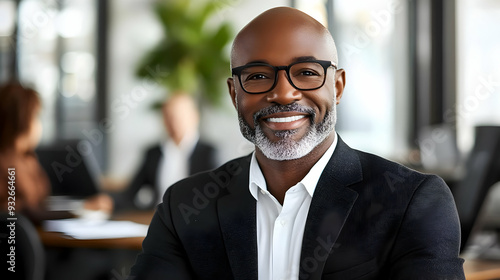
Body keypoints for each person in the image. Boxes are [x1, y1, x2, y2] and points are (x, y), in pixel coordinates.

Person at [129, 7, 465, 279]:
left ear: (337, 86)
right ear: (235, 94)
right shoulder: (184, 206)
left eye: (305, 72)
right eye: (258, 76)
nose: (283, 93)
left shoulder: (411, 202)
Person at [0, 82, 113, 222]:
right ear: (22, 119)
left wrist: (79, 207)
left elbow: (39, 205)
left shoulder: (28, 159)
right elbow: (17, 212)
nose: (38, 125)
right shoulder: (7, 163)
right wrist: (79, 210)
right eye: (35, 116)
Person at [115, 94, 217, 210]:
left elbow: (217, 196)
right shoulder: (153, 153)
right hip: (156, 219)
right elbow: (130, 193)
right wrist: (109, 202)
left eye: (179, 116)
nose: (173, 122)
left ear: (194, 117)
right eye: (168, 116)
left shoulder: (209, 153)